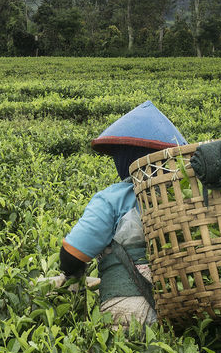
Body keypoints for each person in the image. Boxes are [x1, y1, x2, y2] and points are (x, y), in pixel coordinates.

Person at [56, 101, 187, 328]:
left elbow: (73, 254)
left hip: (129, 308)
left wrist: (73, 274)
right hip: (187, 306)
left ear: (126, 159)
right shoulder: (187, 194)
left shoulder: (114, 198)